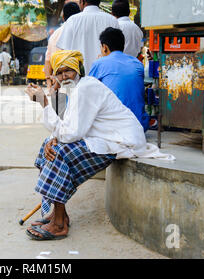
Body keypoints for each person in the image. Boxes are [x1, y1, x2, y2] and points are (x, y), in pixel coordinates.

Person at [24, 50, 174, 241]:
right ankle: (57, 213)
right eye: (60, 72)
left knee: (59, 152)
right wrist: (54, 135)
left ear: (79, 70)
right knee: (49, 144)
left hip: (121, 140)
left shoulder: (86, 88)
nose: (64, 76)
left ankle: (60, 224)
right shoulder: (75, 89)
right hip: (104, 138)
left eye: (68, 71)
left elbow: (70, 134)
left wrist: (44, 102)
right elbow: (68, 127)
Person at [89, 27, 150, 131]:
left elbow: (89, 92)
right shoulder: (137, 63)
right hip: (139, 125)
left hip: (114, 127)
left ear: (104, 47)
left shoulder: (99, 64)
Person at [56, 0, 119, 75]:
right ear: (99, 0)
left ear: (82, 0)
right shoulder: (112, 21)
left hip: (79, 80)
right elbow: (117, 53)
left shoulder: (72, 21)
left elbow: (64, 53)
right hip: (106, 78)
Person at [44, 1, 81, 91]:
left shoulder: (54, 35)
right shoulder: (81, 32)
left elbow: (48, 61)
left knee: (58, 105)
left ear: (63, 17)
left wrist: (49, 84)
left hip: (58, 85)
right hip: (77, 85)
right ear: (79, 15)